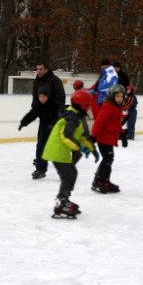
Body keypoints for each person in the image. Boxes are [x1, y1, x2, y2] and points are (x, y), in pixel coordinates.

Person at [42, 89, 99, 219]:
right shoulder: (72, 117)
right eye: (88, 104)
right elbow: (65, 135)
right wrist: (79, 148)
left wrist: (92, 149)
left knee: (72, 173)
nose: (89, 107)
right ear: (83, 104)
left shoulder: (77, 115)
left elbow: (82, 136)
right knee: (68, 176)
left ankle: (64, 199)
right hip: (57, 151)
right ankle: (61, 203)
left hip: (61, 151)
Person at [21, 62, 65, 177]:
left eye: (41, 69)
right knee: (41, 143)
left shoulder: (55, 81)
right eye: (37, 69)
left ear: (47, 69)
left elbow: (61, 98)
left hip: (55, 118)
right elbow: (35, 97)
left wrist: (57, 113)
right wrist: (35, 108)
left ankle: (64, 170)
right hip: (44, 117)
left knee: (57, 146)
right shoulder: (36, 81)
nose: (38, 71)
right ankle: (40, 168)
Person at [18, 86, 61, 179]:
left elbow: (57, 116)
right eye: (40, 97)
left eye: (44, 97)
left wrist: (53, 125)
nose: (42, 99)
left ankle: (64, 172)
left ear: (48, 96)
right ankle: (40, 169)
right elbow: (32, 114)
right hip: (43, 128)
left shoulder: (54, 104)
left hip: (55, 129)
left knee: (56, 151)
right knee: (40, 148)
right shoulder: (38, 105)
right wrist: (23, 123)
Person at [91, 84, 126, 193]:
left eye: (121, 96)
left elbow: (116, 123)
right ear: (112, 96)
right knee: (108, 158)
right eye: (118, 96)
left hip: (109, 138)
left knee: (109, 159)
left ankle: (105, 180)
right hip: (103, 138)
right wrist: (93, 136)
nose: (120, 99)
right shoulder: (108, 107)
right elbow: (99, 121)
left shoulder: (117, 107)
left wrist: (122, 134)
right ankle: (98, 181)